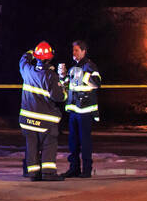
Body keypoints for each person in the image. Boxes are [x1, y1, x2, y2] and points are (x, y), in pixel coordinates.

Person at [18, 42, 66, 181]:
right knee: (49, 145)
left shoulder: (27, 70)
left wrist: (32, 51)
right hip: (46, 121)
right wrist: (64, 85)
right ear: (50, 58)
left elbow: (23, 59)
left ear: (37, 57)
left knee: (31, 146)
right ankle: (48, 173)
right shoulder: (51, 76)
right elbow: (59, 97)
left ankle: (33, 173)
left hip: (27, 120)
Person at [62, 39, 101, 178]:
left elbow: (97, 83)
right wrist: (62, 77)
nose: (74, 53)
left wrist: (84, 75)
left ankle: (86, 170)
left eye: (77, 50)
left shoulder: (90, 66)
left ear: (84, 51)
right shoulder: (73, 68)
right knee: (73, 142)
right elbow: (67, 87)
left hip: (85, 112)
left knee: (85, 142)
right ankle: (74, 168)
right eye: (73, 50)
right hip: (73, 111)